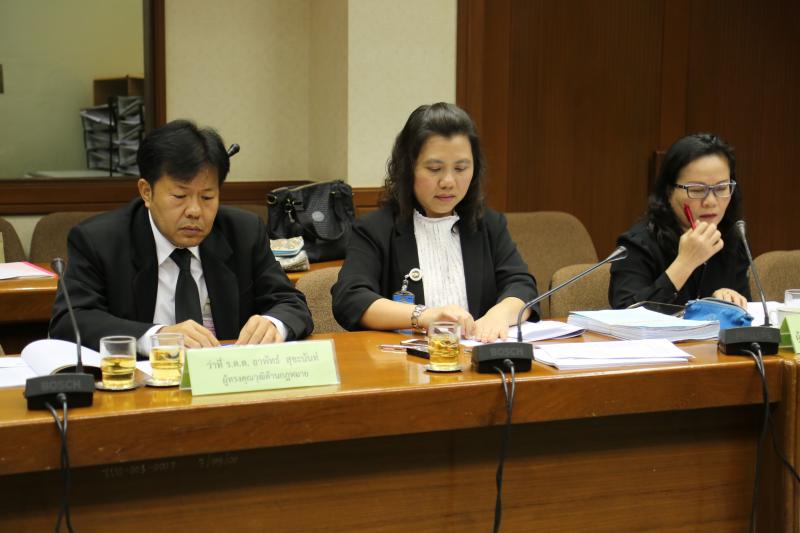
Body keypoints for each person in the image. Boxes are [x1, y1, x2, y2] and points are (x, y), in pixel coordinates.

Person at [50, 120, 313, 355]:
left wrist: (273, 324)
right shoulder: (100, 241)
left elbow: (290, 303)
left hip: (226, 381)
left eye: (207, 197)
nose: (195, 211)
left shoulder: (243, 232)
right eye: (179, 196)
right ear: (146, 192)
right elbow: (70, 321)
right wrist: (156, 337)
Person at [332, 103, 537, 342]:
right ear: (408, 168)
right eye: (434, 168)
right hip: (404, 360)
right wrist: (424, 315)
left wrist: (499, 314)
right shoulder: (375, 229)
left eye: (461, 168)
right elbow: (350, 298)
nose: (448, 181)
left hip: (477, 357)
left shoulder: (489, 225)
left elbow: (521, 285)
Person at [609, 133, 751, 309]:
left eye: (721, 188)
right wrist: (684, 264)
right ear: (669, 192)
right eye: (697, 190)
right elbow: (625, 313)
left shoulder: (733, 238)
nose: (711, 202)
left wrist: (731, 300)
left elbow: (747, 313)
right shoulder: (637, 245)